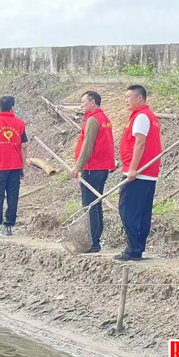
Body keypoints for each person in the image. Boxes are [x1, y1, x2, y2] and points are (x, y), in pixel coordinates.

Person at [116, 85, 162, 261]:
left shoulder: (142, 116)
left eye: (129, 97)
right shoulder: (147, 115)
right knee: (141, 212)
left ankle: (133, 248)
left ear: (140, 98)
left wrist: (133, 168)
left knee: (128, 210)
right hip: (148, 173)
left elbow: (140, 143)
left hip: (139, 172)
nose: (126, 100)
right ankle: (137, 248)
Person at [70, 91, 116, 253]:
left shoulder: (93, 119)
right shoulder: (105, 119)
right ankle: (96, 240)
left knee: (90, 206)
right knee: (96, 205)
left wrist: (78, 167)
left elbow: (87, 146)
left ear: (93, 102)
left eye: (83, 102)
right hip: (102, 168)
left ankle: (93, 242)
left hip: (92, 168)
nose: (81, 105)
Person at [0, 95, 27, 238]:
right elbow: (24, 146)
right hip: (15, 166)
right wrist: (23, 165)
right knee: (13, 196)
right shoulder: (20, 123)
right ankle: (8, 226)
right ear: (12, 107)